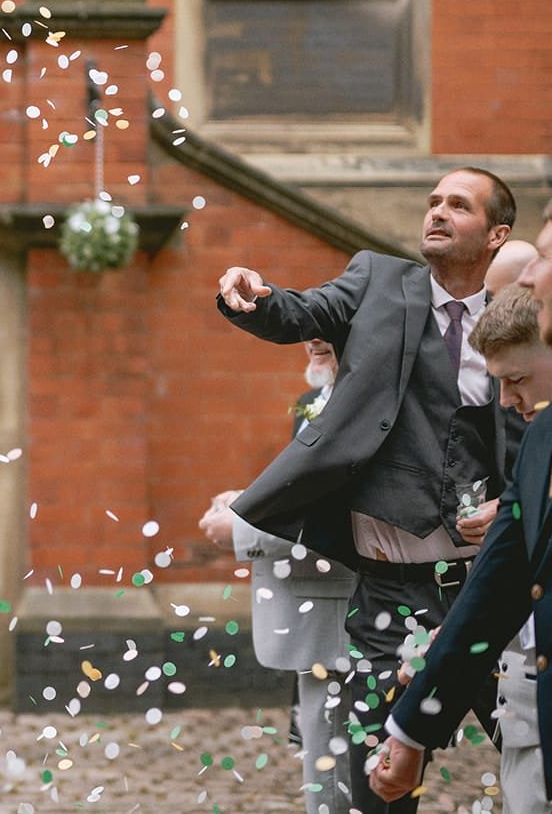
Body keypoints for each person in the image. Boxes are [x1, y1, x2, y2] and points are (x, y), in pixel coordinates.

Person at [216, 167, 521, 814]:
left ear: (497, 233)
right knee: (378, 782)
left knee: (535, 753)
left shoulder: (519, 311)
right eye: (433, 201)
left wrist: (513, 504)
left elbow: (537, 423)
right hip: (390, 588)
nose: (437, 212)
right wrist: (258, 296)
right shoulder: (381, 280)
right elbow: (303, 310)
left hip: (488, 585)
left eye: (458, 206)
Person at [373, 184, 552, 809]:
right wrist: (414, 729)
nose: (532, 277)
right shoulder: (551, 428)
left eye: (547, 257)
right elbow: (498, 586)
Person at [198, 338, 354, 814]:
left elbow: (345, 516)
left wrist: (243, 529)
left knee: (343, 780)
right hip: (309, 618)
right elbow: (304, 495)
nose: (310, 338)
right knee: (323, 768)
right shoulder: (311, 402)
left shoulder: (370, 406)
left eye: (328, 321)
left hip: (351, 618)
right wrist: (248, 500)